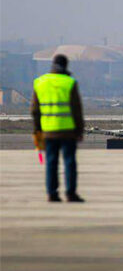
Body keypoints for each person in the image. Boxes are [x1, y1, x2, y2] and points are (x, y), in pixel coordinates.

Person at [31, 54, 85, 203]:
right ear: (66, 66)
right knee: (69, 163)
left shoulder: (40, 82)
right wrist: (79, 130)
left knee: (51, 163)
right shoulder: (69, 82)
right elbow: (76, 109)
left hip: (48, 131)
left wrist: (37, 130)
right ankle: (70, 193)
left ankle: (51, 193)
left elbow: (35, 110)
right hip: (68, 131)